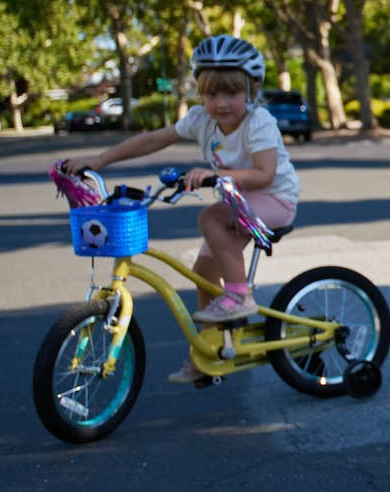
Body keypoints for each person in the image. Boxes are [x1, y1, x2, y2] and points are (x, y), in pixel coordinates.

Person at [61, 35, 302, 375]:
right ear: (199, 92)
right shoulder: (201, 120)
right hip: (240, 203)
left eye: (231, 93)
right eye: (211, 93)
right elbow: (153, 139)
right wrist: (101, 160)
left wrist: (214, 176)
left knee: (210, 218)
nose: (221, 103)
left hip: (276, 200)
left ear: (253, 87)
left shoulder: (258, 122)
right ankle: (210, 352)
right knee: (203, 274)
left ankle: (239, 295)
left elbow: (264, 175)